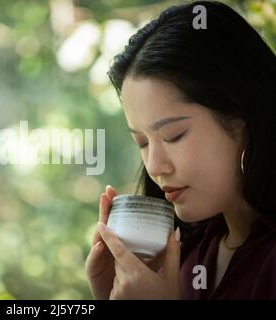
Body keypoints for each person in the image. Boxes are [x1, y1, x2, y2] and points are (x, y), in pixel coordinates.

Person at [85, 0, 276, 299]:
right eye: (143, 143)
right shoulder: (185, 259)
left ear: (242, 120)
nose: (155, 166)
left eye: (174, 136)